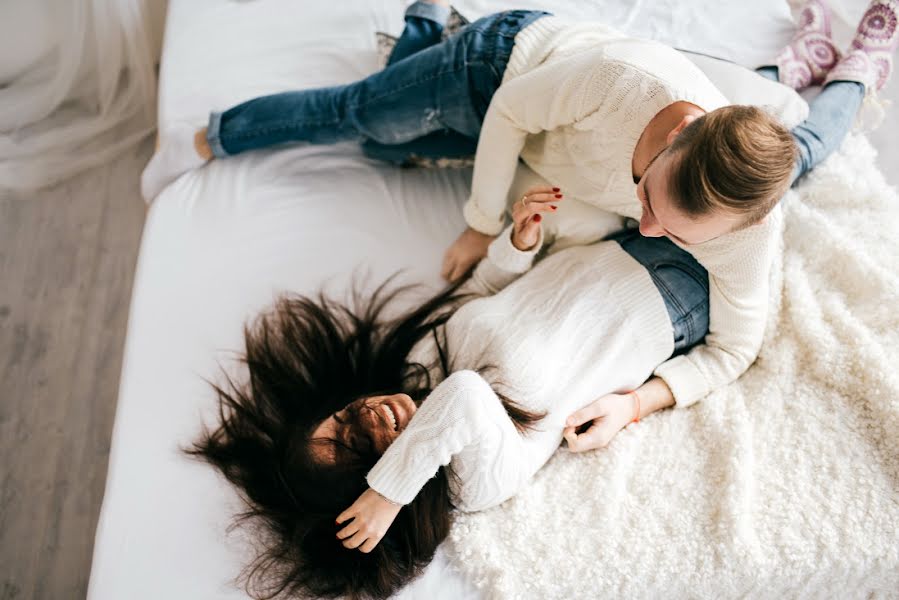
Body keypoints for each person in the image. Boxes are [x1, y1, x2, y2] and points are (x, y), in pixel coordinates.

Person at [146, 0, 899, 441]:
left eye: (670, 230)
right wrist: (480, 224)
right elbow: (508, 113)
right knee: (361, 117)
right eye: (644, 196)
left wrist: (635, 401)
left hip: (550, 149)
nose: (641, 224)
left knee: (384, 148)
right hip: (501, 70)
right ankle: (209, 133)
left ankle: (846, 67)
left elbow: (734, 349)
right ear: (673, 135)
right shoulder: (623, 79)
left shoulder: (745, 235)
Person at [190, 185, 713, 599]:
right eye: (363, 448)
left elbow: (479, 294)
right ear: (380, 496)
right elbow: (464, 397)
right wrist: (389, 492)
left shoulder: (415, 370)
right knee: (756, 166)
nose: (369, 415)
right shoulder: (472, 481)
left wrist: (518, 242)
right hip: (673, 294)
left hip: (618, 241)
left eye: (345, 417)